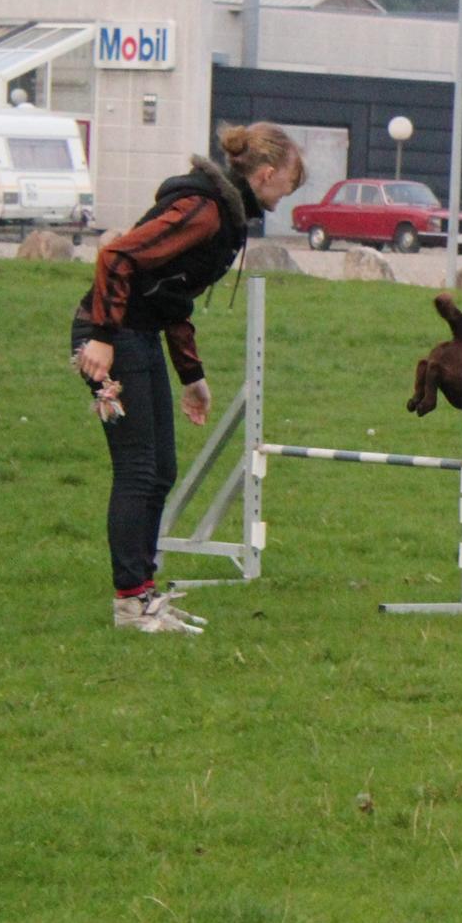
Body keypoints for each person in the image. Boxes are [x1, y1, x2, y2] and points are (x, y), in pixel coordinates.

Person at [71, 122, 305, 633]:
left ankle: (144, 594)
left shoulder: (225, 215)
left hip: (137, 331)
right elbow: (117, 255)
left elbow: (170, 294)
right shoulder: (204, 212)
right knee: (138, 468)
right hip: (110, 336)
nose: (285, 197)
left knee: (161, 470)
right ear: (265, 174)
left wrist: (191, 375)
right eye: (288, 185)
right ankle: (132, 604)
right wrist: (103, 337)